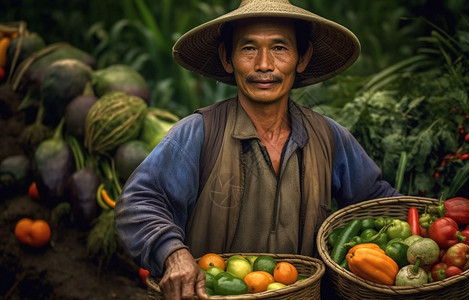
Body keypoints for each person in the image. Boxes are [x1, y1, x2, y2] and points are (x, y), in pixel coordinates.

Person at [115, 0, 400, 299]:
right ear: (228, 58)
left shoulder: (328, 136)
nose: (264, 64)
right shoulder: (199, 133)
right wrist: (173, 254)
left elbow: (378, 203)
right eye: (248, 48)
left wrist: (440, 222)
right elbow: (139, 202)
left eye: (280, 48)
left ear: (302, 58)